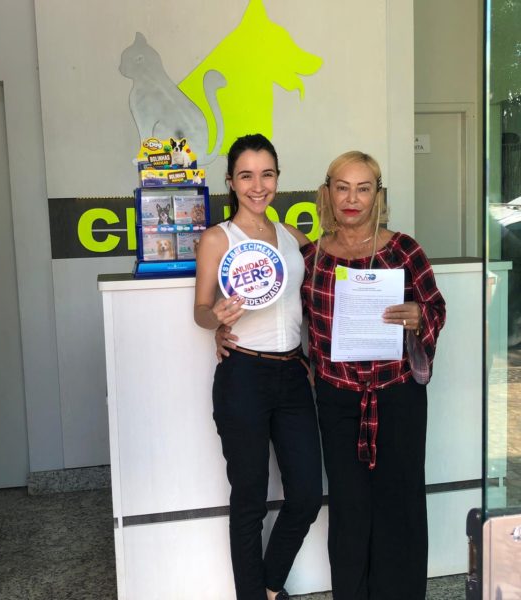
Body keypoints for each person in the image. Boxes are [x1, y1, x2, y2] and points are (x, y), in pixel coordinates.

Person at [302, 151, 446, 600]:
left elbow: (436, 308)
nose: (352, 199)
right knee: (348, 509)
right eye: (342, 188)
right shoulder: (312, 257)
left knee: (399, 504)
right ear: (327, 192)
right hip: (338, 401)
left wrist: (419, 318)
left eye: (363, 189)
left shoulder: (404, 250)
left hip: (397, 397)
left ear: (377, 195)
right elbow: (290, 322)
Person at [194, 133, 324, 600]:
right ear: (231, 181)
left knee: (307, 494)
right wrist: (216, 319)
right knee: (249, 500)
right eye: (246, 175)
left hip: (292, 374)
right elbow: (200, 310)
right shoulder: (218, 239)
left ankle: (268, 585)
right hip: (243, 375)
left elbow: (325, 290)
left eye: (266, 174)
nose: (257, 185)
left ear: (277, 179)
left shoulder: (292, 237)